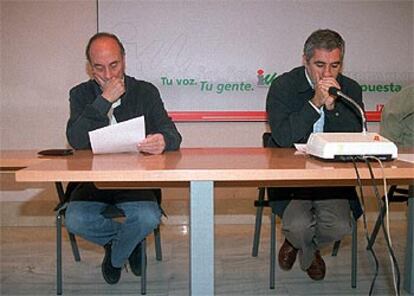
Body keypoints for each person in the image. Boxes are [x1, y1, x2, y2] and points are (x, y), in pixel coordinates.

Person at [65, 32, 182, 285]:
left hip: (135, 182)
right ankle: (129, 243)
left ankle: (117, 256)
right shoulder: (80, 94)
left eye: (114, 65)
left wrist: (163, 140)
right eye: (99, 67)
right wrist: (103, 100)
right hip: (92, 183)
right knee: (74, 219)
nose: (108, 74)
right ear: (89, 67)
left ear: (124, 60)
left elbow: (173, 134)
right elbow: (75, 139)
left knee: (148, 217)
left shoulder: (145, 91)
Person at [266, 29, 363, 280]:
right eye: (320, 65)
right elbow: (284, 137)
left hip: (332, 181)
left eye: (335, 65)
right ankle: (305, 247)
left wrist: (332, 109)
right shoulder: (283, 87)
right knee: (298, 227)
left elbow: (354, 139)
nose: (327, 74)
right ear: (305, 61)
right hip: (292, 180)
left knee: (341, 226)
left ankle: (299, 247)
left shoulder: (350, 89)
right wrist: (314, 104)